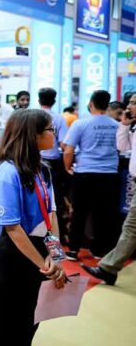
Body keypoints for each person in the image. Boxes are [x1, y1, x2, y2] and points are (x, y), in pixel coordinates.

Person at [0, 109, 66, 346]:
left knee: (28, 328)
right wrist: (45, 265)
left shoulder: (43, 169)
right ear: (33, 135)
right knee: (1, 332)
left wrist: (55, 255)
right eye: (50, 129)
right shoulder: (7, 172)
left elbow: (51, 215)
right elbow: (13, 228)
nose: (54, 134)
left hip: (40, 253)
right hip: (14, 258)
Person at [82, 92, 136, 285]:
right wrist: (124, 125)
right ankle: (108, 268)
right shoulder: (130, 126)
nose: (129, 106)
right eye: (129, 102)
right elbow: (122, 147)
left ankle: (108, 268)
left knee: (131, 227)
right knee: (131, 227)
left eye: (133, 103)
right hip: (134, 181)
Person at [63, 90, 120, 260]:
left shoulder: (80, 124)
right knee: (103, 214)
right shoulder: (116, 125)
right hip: (109, 174)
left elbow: (68, 150)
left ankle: (73, 250)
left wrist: (68, 167)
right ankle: (99, 250)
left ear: (90, 104)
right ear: (107, 105)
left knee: (79, 213)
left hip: (85, 173)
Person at [37, 88, 70, 244]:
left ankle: (47, 239)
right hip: (53, 164)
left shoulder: (33, 116)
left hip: (38, 161)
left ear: (39, 100)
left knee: (43, 200)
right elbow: (64, 143)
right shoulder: (59, 119)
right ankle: (56, 239)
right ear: (55, 101)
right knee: (53, 201)